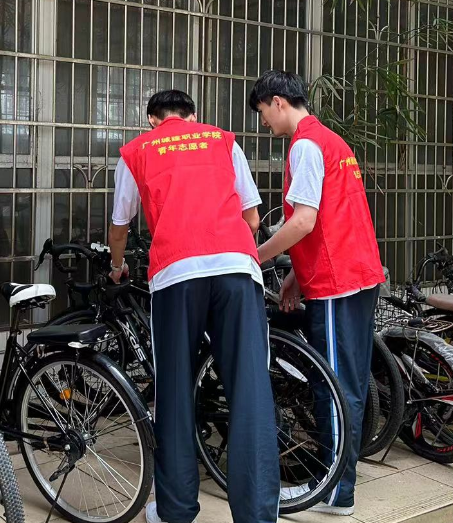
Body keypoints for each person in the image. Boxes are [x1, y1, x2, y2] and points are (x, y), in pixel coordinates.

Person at [108, 90, 280, 523]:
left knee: (174, 389)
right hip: (237, 269)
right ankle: (258, 515)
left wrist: (117, 267)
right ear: (194, 116)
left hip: (177, 273)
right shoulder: (224, 140)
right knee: (250, 389)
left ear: (152, 119)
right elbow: (253, 218)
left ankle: (176, 510)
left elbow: (120, 227)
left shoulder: (136, 151)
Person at [250, 70, 385, 516]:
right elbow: (330, 217)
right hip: (359, 274)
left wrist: (256, 256)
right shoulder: (333, 141)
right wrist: (295, 274)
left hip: (336, 281)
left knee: (334, 386)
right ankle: (338, 483)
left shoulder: (305, 145)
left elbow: (304, 221)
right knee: (350, 383)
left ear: (278, 101)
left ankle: (334, 491)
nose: (263, 122)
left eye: (262, 112)